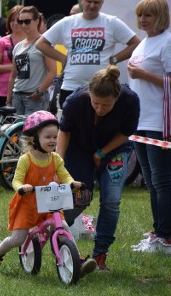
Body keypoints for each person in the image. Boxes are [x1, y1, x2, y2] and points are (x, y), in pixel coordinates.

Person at [0, 110, 96, 277]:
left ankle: (77, 260)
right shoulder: (26, 159)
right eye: (48, 137)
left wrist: (71, 183)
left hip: (49, 201)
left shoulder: (56, 158)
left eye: (55, 137)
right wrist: (22, 188)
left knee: (64, 228)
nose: (53, 140)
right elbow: (16, 180)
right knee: (18, 239)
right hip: (28, 204)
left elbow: (64, 175)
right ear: (34, 139)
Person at [58, 66, 139, 270]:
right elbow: (65, 130)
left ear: (117, 97)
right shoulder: (76, 101)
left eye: (106, 105)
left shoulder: (130, 100)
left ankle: (100, 254)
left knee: (111, 200)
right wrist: (58, 161)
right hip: (79, 148)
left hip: (114, 149)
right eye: (95, 103)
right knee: (80, 195)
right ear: (89, 94)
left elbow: (126, 132)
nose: (100, 109)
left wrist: (101, 153)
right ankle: (53, 231)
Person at [36, 0, 140, 108]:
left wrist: (114, 59)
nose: (92, 5)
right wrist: (63, 58)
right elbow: (41, 43)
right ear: (81, 1)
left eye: (96, 2)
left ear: (102, 3)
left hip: (102, 88)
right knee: (70, 127)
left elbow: (136, 43)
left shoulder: (111, 22)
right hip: (71, 86)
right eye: (88, 1)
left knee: (101, 126)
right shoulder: (68, 22)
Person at [127, 0, 171, 253]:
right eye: (140, 15)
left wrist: (144, 75)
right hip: (140, 120)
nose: (143, 20)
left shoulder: (167, 41)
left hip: (159, 121)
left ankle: (166, 236)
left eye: (148, 15)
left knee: (162, 180)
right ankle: (159, 232)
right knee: (152, 181)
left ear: (161, 17)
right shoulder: (143, 42)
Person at [6, 6, 56, 115]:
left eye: (27, 21)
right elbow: (13, 75)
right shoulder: (18, 46)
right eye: (21, 21)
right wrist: (8, 100)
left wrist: (40, 92)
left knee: (33, 130)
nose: (23, 25)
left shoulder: (45, 43)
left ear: (37, 21)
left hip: (35, 97)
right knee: (16, 130)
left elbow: (52, 71)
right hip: (17, 95)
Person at [0, 5, 24, 107]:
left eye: (19, 20)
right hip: (2, 91)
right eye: (12, 20)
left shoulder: (33, 41)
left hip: (24, 90)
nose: (15, 23)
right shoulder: (2, 41)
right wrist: (15, 66)